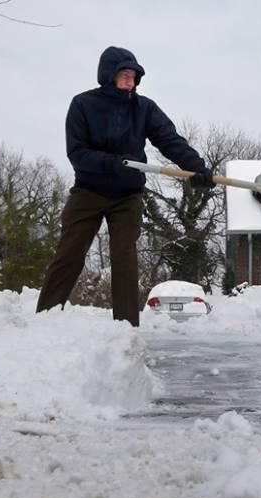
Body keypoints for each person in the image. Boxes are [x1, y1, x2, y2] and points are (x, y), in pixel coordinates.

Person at [36, 45, 215, 327]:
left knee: (125, 261)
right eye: (125, 75)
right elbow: (77, 153)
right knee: (69, 254)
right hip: (88, 191)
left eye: (134, 76)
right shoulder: (83, 105)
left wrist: (197, 168)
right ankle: (44, 318)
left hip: (127, 196)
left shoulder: (144, 108)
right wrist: (111, 162)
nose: (130, 82)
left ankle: (126, 329)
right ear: (108, 76)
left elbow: (170, 140)